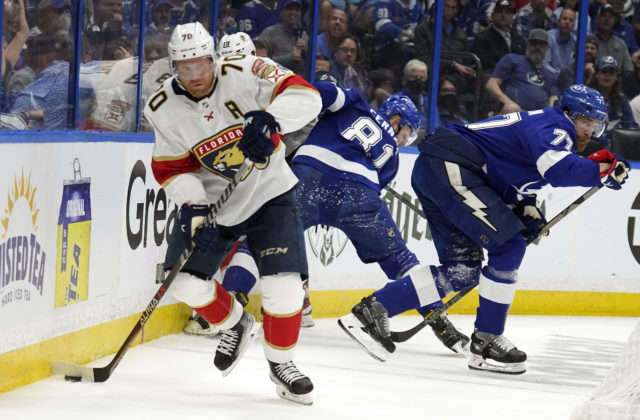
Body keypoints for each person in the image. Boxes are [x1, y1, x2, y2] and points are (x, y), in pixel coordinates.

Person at [339, 84, 630, 374]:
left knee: (464, 269)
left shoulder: (545, 128)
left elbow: (509, 175)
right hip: (451, 165)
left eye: (595, 124)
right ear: (568, 113)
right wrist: (601, 172)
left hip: (440, 167)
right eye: (585, 122)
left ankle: (375, 310)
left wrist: (525, 209)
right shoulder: (554, 126)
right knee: (509, 246)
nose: (590, 131)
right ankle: (487, 339)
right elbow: (559, 171)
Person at [144, 22, 322, 404]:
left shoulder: (247, 70)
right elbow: (171, 168)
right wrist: (195, 208)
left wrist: (272, 119)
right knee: (183, 283)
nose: (194, 75)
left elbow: (306, 95)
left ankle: (282, 366)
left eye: (201, 65)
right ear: (174, 66)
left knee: (284, 286)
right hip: (215, 204)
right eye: (184, 67)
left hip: (269, 192)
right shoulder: (161, 106)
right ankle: (236, 322)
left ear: (214, 59)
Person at [294, 88, 470, 355]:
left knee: (266, 237)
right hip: (358, 193)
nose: (403, 142)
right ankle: (441, 325)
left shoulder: (352, 105)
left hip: (308, 177)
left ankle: (234, 304)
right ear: (396, 120)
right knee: (402, 262)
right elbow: (376, 187)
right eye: (406, 134)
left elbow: (320, 99)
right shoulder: (392, 158)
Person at [485, 28, 556, 114]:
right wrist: (508, 102)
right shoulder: (512, 59)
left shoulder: (550, 75)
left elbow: (553, 98)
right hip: (513, 113)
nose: (537, 47)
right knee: (511, 109)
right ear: (528, 44)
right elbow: (491, 84)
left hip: (538, 119)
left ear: (547, 48)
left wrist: (550, 114)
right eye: (534, 43)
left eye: (541, 45)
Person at [587, 55, 639, 152]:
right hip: (591, 149)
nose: (607, 75)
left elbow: (632, 127)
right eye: (604, 71)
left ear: (616, 77)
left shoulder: (622, 100)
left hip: (619, 150)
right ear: (596, 74)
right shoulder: (587, 98)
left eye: (611, 72)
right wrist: (605, 142)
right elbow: (583, 128)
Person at [470, 0, 527, 76]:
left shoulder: (518, 38)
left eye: (507, 12)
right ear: (493, 15)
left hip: (517, 79)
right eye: (499, 11)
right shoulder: (482, 38)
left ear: (512, 16)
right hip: (493, 79)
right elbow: (485, 68)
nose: (503, 15)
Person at [256, 0, 307, 75]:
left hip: (301, 81)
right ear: (281, 12)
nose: (293, 12)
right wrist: (289, 58)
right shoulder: (270, 33)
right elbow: (260, 61)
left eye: (296, 9)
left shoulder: (304, 34)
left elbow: (313, 64)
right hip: (276, 79)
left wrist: (306, 50)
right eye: (289, 9)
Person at [543, 8, 577, 78]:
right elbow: (544, 64)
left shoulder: (576, 41)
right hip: (551, 80)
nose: (567, 22)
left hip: (570, 81)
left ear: (573, 25)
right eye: (564, 18)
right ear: (558, 22)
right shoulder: (549, 37)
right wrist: (560, 75)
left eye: (570, 20)